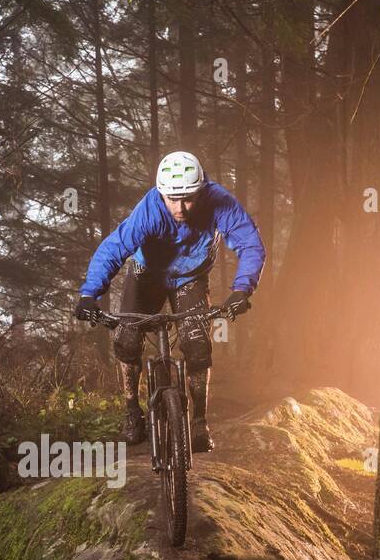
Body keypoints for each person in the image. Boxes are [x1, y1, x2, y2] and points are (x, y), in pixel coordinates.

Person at [75, 150, 265, 452]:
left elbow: (250, 243)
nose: (180, 208)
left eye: (188, 198)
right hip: (145, 272)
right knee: (126, 338)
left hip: (190, 277)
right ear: (161, 194)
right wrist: (89, 294)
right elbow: (114, 248)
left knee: (197, 343)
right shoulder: (150, 209)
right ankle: (131, 411)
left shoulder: (219, 201)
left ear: (201, 191)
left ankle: (200, 422)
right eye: (172, 199)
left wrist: (242, 289)